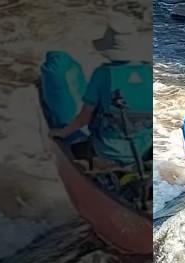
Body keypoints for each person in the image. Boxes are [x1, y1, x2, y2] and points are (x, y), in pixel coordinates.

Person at [49, 20, 153, 169]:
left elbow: (84, 118)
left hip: (107, 150)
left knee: (78, 147)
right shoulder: (149, 72)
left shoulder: (103, 74)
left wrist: (63, 133)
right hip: (143, 149)